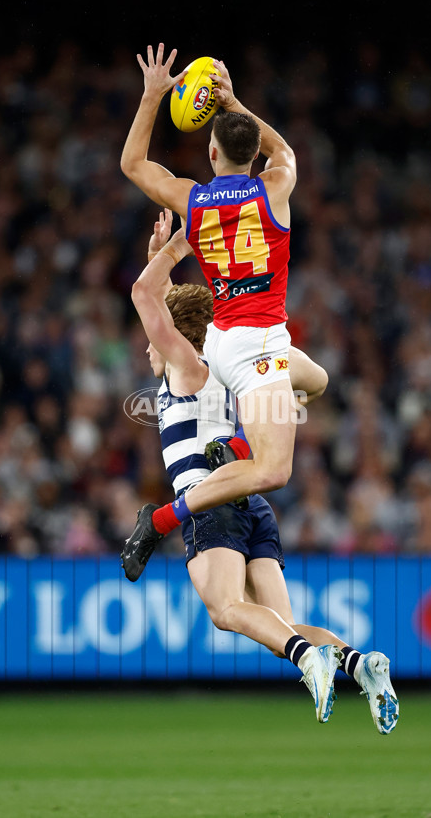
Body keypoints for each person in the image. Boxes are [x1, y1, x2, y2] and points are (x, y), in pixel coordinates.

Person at [121, 212, 400, 735]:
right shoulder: (239, 368)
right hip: (253, 502)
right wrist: (162, 259)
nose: (146, 347)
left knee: (226, 609)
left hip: (210, 502)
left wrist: (177, 245)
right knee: (281, 625)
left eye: (153, 339)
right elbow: (178, 312)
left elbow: (146, 298)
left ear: (174, 335)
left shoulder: (183, 366)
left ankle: (308, 660)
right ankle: (360, 664)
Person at [120, 45, 307, 560]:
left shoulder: (193, 199)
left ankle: (238, 447)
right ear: (254, 155)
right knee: (274, 472)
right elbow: (284, 153)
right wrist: (231, 101)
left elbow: (132, 163)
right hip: (258, 341)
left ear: (210, 154)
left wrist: (153, 96)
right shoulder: (274, 188)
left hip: (224, 339)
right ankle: (162, 517)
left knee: (315, 379)